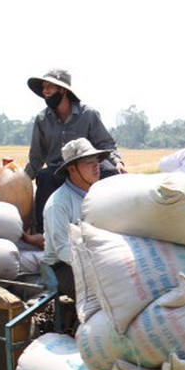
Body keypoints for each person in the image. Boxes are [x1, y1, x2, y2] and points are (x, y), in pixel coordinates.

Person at [22, 69, 126, 247]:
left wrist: (118, 162)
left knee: (111, 174)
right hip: (59, 170)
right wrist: (21, 180)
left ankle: (115, 226)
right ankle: (42, 234)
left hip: (86, 165)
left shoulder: (88, 115)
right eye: (43, 88)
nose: (45, 91)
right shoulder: (42, 119)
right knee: (45, 177)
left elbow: (106, 145)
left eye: (49, 87)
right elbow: (37, 158)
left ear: (63, 90)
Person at [42, 138, 112, 299]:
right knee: (104, 293)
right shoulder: (58, 203)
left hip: (93, 259)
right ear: (72, 169)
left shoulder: (98, 194)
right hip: (60, 268)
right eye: (89, 162)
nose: (96, 166)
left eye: (96, 161)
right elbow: (62, 250)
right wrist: (95, 264)